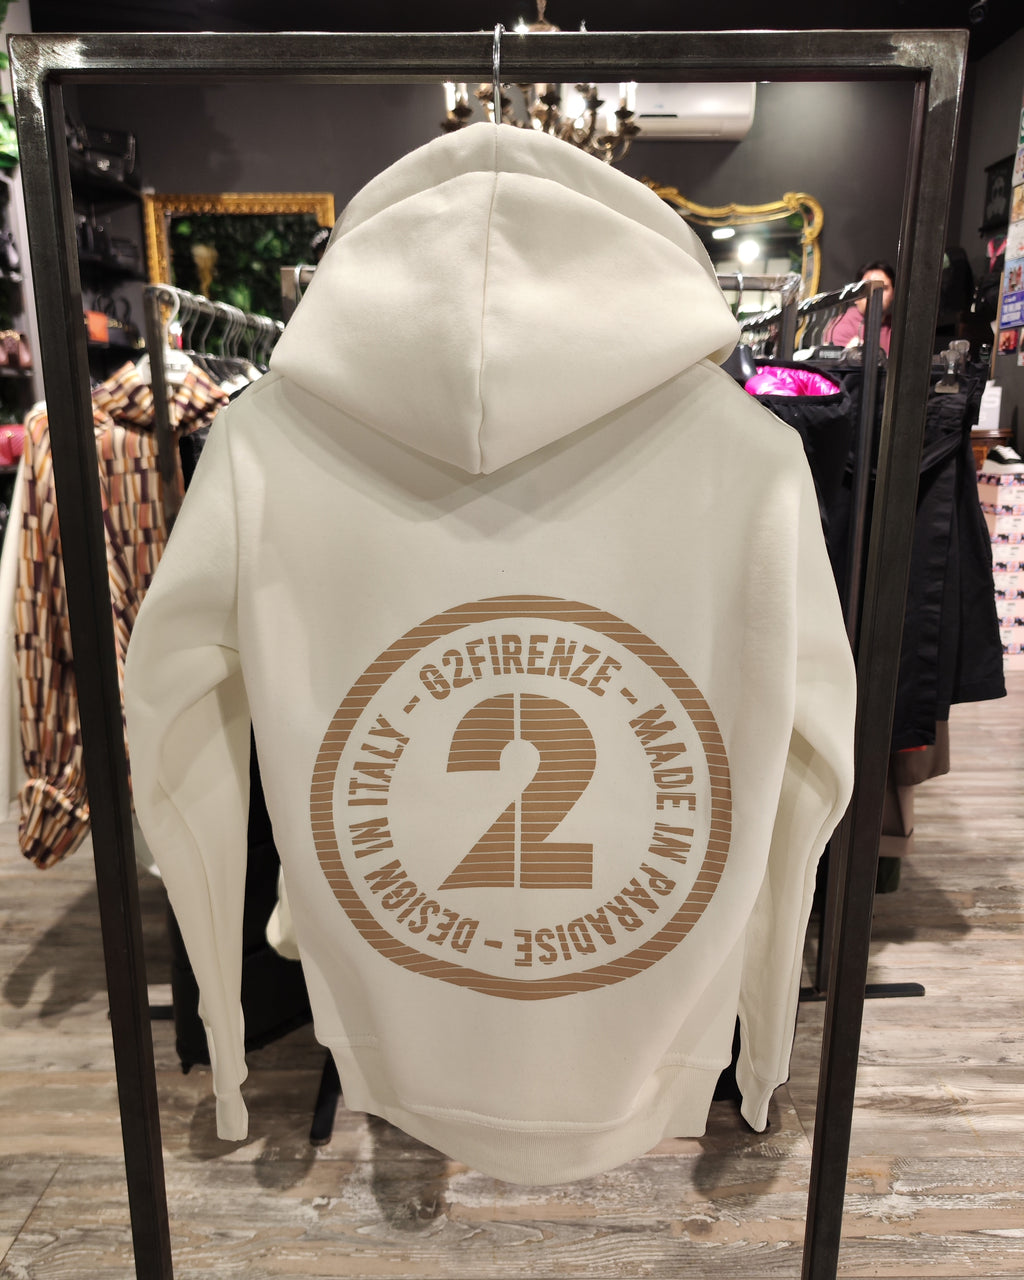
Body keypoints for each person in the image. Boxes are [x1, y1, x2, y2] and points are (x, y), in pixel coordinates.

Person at [824, 260, 895, 354]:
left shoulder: (896, 327)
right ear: (857, 295)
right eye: (868, 288)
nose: (875, 293)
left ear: (893, 293)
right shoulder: (841, 325)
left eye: (883, 288)